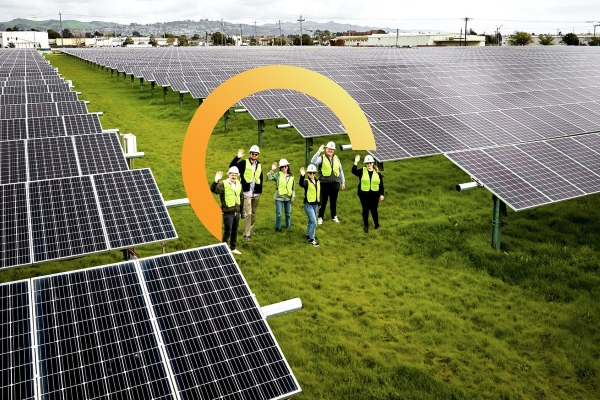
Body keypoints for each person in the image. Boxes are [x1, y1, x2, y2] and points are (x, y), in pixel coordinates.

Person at [230, 145, 263, 242]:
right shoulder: (244, 163)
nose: (254, 155)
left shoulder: (259, 165)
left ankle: (251, 229)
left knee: (253, 213)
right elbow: (232, 167)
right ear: (250, 154)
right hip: (246, 192)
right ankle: (246, 234)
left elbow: (260, 178)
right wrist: (237, 157)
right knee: (248, 213)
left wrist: (260, 190)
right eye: (252, 153)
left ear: (258, 155)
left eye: (256, 154)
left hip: (256, 193)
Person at [311, 141, 345, 225]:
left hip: (335, 183)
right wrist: (318, 151)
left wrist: (343, 182)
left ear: (334, 150)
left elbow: (340, 170)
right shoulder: (321, 158)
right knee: (323, 201)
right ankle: (320, 217)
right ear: (326, 149)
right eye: (329, 149)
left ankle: (334, 216)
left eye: (332, 149)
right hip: (324, 184)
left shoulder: (336, 158)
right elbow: (313, 162)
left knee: (333, 201)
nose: (330, 150)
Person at [210, 166, 243, 254]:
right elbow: (213, 190)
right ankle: (223, 249)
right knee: (228, 230)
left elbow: (241, 197)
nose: (234, 177)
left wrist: (241, 211)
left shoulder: (239, 183)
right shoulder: (224, 184)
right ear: (229, 175)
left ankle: (233, 248)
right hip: (228, 212)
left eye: (235, 175)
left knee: (235, 230)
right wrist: (216, 180)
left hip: (237, 211)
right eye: (232, 175)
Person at [352, 154, 384, 233]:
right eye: (367, 163)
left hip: (375, 195)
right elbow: (354, 171)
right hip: (364, 195)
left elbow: (381, 184)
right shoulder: (362, 171)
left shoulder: (378, 173)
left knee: (374, 210)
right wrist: (356, 162)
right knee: (365, 209)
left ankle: (376, 224)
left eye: (370, 163)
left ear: (373, 163)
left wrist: (382, 194)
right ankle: (366, 226)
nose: (369, 164)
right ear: (365, 164)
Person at [267, 158, 296, 232]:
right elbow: (269, 178)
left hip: (288, 197)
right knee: (279, 214)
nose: (284, 168)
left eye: (285, 166)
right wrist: (272, 170)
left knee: (288, 213)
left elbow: (293, 188)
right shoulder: (278, 175)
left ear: (288, 166)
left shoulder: (292, 176)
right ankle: (278, 228)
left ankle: (288, 227)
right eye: (282, 167)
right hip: (279, 197)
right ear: (280, 168)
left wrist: (292, 197)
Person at [299, 164, 320, 247]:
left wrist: (320, 203)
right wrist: (302, 176)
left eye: (313, 173)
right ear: (308, 173)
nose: (312, 174)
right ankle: (312, 239)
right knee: (314, 222)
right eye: (310, 173)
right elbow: (301, 184)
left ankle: (308, 234)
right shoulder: (306, 182)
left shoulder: (318, 182)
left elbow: (319, 193)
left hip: (315, 204)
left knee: (311, 221)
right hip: (308, 205)